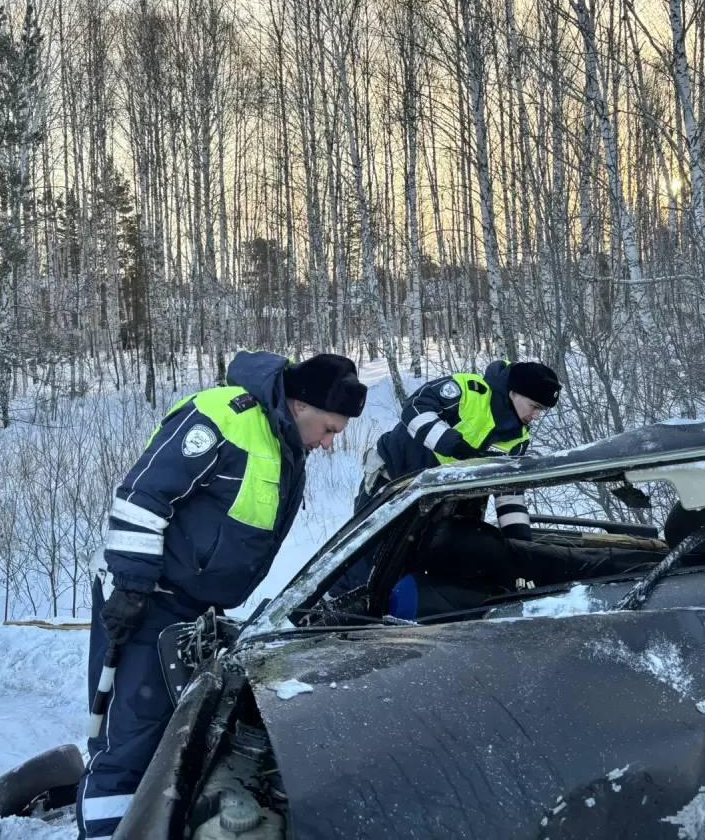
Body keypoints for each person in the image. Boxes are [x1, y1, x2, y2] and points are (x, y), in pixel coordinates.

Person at [76, 350, 367, 839]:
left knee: (174, 742)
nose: (329, 442)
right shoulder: (222, 417)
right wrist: (131, 588)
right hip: (145, 600)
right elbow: (143, 496)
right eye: (329, 429)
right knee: (128, 746)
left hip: (193, 610)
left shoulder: (284, 441)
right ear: (300, 405)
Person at [357, 360, 562, 540]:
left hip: (439, 504)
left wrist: (520, 543)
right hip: (393, 482)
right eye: (534, 406)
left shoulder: (518, 439)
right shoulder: (468, 391)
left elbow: (509, 493)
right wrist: (454, 445)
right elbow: (415, 408)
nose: (536, 416)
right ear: (514, 392)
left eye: (542, 410)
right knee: (366, 559)